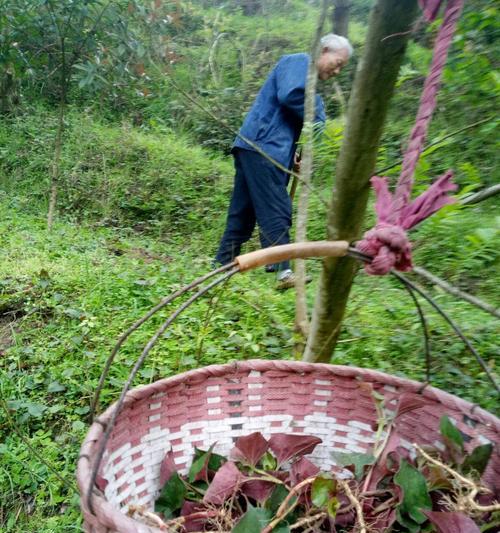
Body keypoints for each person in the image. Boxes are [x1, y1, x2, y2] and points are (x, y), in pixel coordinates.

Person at [214, 34, 353, 289]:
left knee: (242, 215)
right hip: (263, 147)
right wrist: (319, 114)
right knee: (277, 208)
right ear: (324, 50)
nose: (338, 70)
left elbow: (288, 117)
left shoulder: (305, 77)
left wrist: (293, 156)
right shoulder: (299, 61)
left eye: (342, 66)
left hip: (256, 146)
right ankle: (283, 271)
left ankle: (219, 268)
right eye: (338, 62)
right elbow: (290, 95)